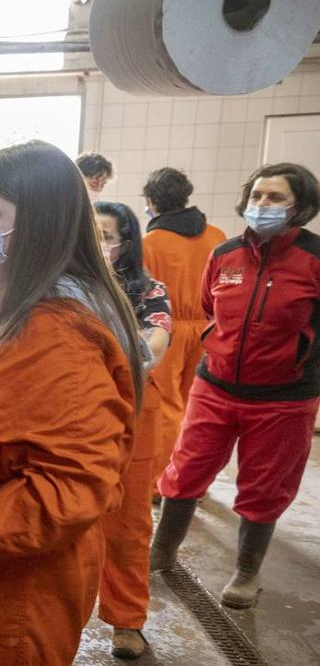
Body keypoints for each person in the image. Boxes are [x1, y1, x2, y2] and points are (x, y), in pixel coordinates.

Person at [0, 141, 141, 666]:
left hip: (18, 591)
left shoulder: (57, 335)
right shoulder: (11, 300)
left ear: (38, 224)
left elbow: (67, 495)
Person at [151, 163, 320, 610]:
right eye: (258, 195)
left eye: (275, 198)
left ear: (300, 207)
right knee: (185, 471)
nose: (262, 205)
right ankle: (162, 551)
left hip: (284, 397)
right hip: (216, 385)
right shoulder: (224, 254)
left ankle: (247, 571)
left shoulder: (314, 260)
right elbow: (211, 306)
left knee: (265, 486)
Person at [96, 200, 173, 660]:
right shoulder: (63, 287)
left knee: (127, 522)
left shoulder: (147, 290)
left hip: (133, 411)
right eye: (91, 233)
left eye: (107, 236)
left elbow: (155, 342)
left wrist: (104, 365)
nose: (98, 244)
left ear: (126, 243)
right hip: (72, 414)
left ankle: (127, 617)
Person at [141, 167, 226, 483]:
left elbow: (143, 295)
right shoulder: (216, 236)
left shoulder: (150, 242)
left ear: (151, 200)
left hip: (166, 330)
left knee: (164, 407)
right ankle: (194, 483)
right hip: (209, 328)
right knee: (200, 409)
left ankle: (161, 483)